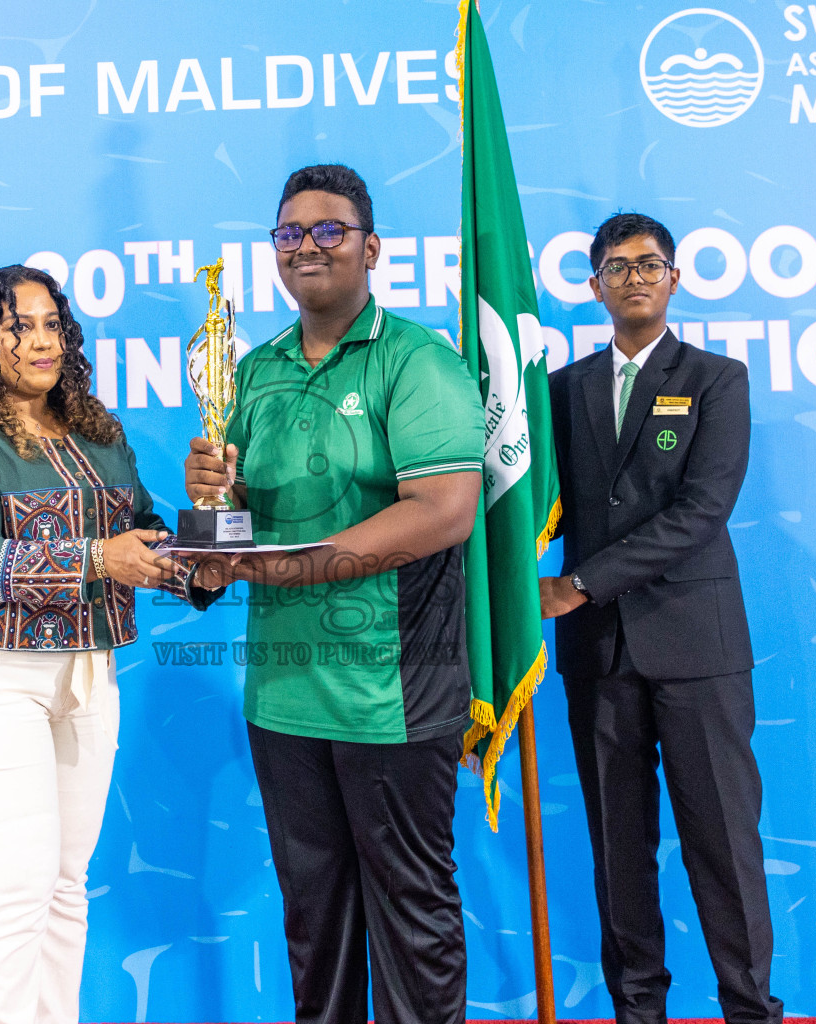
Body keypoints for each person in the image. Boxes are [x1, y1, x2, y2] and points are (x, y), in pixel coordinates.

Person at [184, 164, 485, 1024]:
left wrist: (287, 567)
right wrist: (213, 503)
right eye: (289, 234)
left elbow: (444, 512)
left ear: (371, 248)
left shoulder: (417, 361)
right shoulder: (255, 372)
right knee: (314, 922)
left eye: (329, 231)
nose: (307, 247)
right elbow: (233, 534)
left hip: (391, 691)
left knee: (411, 914)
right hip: (283, 694)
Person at [0, 265, 216, 1024]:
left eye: (53, 324)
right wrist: (95, 559)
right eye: (21, 326)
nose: (42, 340)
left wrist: (210, 542)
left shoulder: (97, 429)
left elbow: (142, 533)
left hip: (86, 676)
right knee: (16, 887)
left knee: (65, 886)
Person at [541, 213, 783, 1024]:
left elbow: (702, 512)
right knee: (619, 851)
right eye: (617, 266)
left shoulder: (719, 379)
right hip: (599, 658)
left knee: (724, 847)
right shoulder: (561, 390)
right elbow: (535, 503)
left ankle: (750, 1009)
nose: (635, 277)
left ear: (675, 279)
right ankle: (636, 1012)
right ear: (594, 286)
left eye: (650, 264)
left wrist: (579, 582)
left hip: (697, 646)